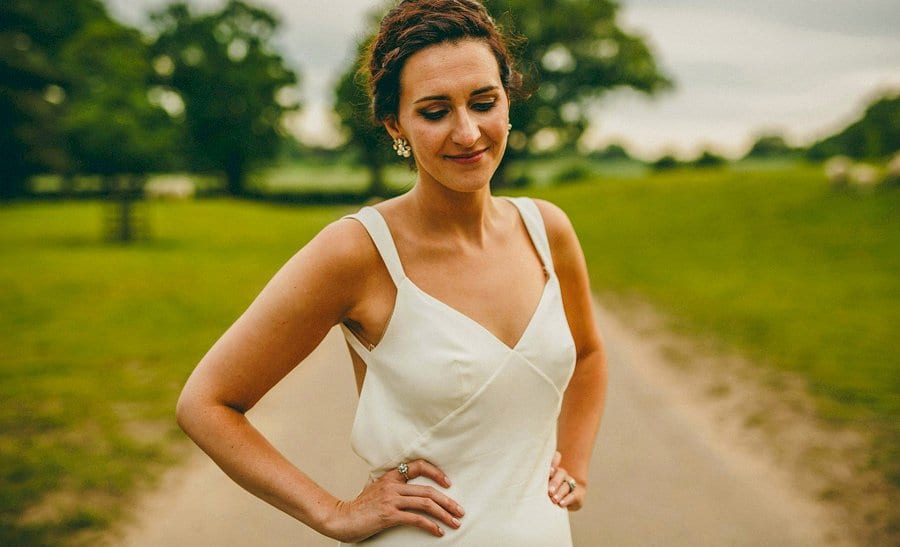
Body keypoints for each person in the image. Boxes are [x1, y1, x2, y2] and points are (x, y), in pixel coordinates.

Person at [175, 0, 607, 544]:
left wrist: (576, 466)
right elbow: (206, 403)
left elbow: (587, 354)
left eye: (483, 102)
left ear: (507, 100)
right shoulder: (358, 252)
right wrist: (333, 513)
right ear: (395, 123)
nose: (467, 132)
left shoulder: (547, 231)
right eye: (434, 112)